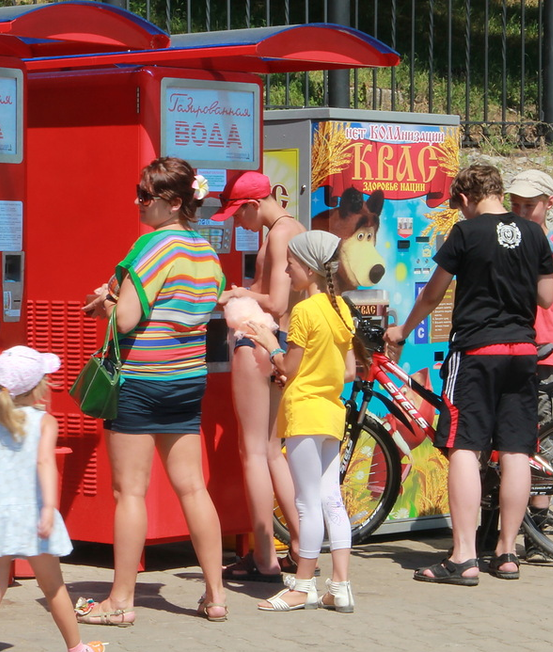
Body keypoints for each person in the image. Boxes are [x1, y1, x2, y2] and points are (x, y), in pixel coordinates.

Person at [75, 157, 229, 624]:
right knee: (193, 488)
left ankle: (121, 602)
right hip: (186, 380)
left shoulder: (151, 246)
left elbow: (125, 319)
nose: (138, 203)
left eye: (147, 197)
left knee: (131, 493)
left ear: (175, 202)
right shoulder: (206, 252)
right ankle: (216, 596)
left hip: (141, 380)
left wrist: (106, 301)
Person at [384, 163, 553, 585]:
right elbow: (547, 297)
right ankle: (507, 552)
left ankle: (463, 556)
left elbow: (435, 291)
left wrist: (402, 330)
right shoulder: (534, 232)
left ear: (463, 199)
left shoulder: (465, 233)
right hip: (522, 350)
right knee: (515, 449)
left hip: (477, 350)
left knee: (465, 446)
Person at [0, 346, 107, 652]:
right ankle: (76, 647)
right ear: (38, 385)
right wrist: (49, 507)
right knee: (53, 587)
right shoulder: (43, 421)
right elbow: (45, 464)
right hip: (31, 514)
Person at [242, 231, 357, 612]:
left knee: (307, 503)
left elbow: (287, 367)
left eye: (291, 263)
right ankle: (340, 586)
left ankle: (303, 585)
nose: (287, 269)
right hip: (330, 410)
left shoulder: (306, 311)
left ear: (309, 266)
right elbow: (349, 371)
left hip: (304, 411)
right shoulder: (341, 309)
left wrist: (268, 340)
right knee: (331, 500)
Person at [212, 171, 306, 581]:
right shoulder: (294, 228)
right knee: (271, 451)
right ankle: (302, 545)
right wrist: (247, 288)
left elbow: (278, 301)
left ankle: (266, 557)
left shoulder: (279, 235)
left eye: (238, 214)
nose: (237, 224)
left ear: (254, 204)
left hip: (258, 341)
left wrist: (237, 295)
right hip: (280, 344)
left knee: (253, 452)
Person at [505, 168, 553, 560]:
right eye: (514, 205)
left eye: (528, 206)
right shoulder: (504, 239)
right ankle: (512, 527)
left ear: (549, 204)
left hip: (549, 357)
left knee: (546, 442)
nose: (520, 212)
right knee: (515, 441)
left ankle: (541, 523)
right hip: (508, 349)